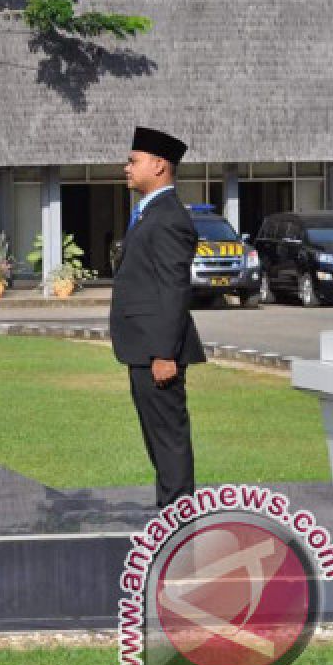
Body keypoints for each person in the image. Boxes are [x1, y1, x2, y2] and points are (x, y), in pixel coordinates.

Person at [110, 126, 207, 508]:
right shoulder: (149, 212)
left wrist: (164, 353)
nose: (126, 168)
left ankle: (178, 526)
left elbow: (174, 289)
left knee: (169, 441)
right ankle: (170, 520)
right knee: (158, 441)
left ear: (159, 165)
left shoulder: (169, 218)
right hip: (143, 348)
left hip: (158, 352)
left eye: (133, 161)